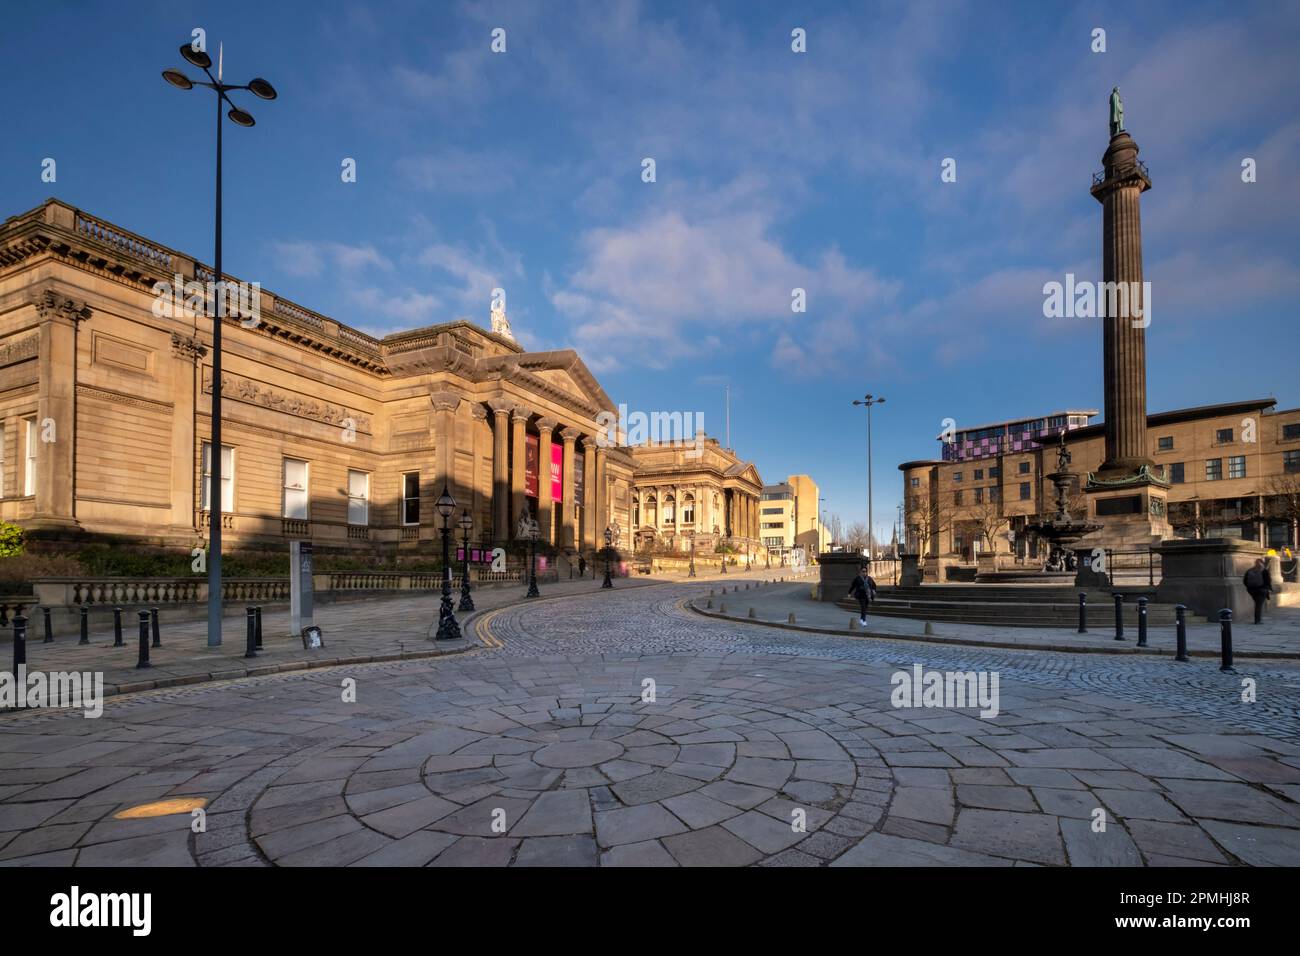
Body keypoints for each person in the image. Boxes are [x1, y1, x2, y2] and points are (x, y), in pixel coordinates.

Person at [1243, 558, 1273, 625]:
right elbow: (1268, 581)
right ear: (1262, 563)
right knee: (1258, 605)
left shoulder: (1250, 570)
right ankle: (1257, 620)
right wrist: (1269, 589)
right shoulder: (1264, 571)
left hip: (1252, 590)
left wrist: (1249, 588)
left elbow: (1245, 581)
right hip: (1262, 590)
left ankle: (1257, 619)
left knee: (1257, 604)